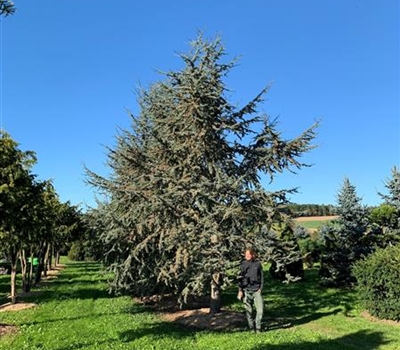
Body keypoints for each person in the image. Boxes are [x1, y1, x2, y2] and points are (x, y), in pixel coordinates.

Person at [237, 247, 264, 333]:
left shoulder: (258, 264)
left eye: (249, 254)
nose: (247, 256)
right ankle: (252, 328)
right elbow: (240, 279)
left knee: (260, 310)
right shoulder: (243, 264)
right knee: (249, 311)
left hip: (256, 290)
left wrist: (261, 288)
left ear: (253, 255)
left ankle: (258, 327)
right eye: (246, 255)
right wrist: (240, 290)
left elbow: (262, 276)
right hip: (246, 291)